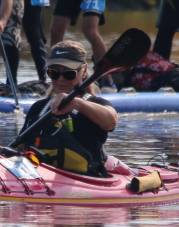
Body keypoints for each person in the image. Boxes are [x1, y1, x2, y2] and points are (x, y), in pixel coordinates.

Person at [16, 40, 117, 177]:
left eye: (68, 73)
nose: (60, 79)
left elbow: (111, 122)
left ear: (84, 71)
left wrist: (76, 103)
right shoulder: (39, 108)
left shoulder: (96, 103)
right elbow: (21, 146)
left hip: (86, 180)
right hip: (41, 177)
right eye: (54, 73)